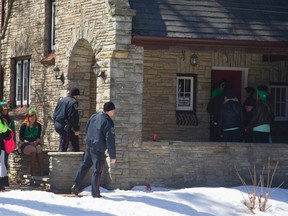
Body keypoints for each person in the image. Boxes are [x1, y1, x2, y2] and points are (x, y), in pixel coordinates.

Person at [71, 101, 117, 198]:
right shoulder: (108, 122)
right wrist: (113, 156)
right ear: (109, 110)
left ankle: (76, 185)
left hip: (89, 146)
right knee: (97, 171)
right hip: (98, 149)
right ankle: (95, 193)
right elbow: (110, 140)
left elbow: (87, 127)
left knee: (84, 166)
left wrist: (87, 139)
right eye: (113, 110)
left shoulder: (94, 116)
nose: (114, 112)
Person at [53, 87, 81, 152]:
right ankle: (62, 160)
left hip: (57, 124)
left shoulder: (62, 100)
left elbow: (55, 113)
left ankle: (76, 154)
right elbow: (73, 117)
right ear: (76, 96)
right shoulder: (73, 102)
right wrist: (76, 129)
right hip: (64, 125)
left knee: (73, 138)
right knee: (64, 143)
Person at [19, 109, 44, 176]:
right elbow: (21, 137)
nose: (32, 118)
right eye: (30, 117)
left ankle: (41, 170)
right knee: (33, 149)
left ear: (36, 117)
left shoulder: (38, 125)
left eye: (34, 116)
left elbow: (38, 136)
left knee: (38, 148)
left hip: (34, 142)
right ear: (28, 117)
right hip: (25, 143)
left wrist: (36, 142)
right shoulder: (24, 125)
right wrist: (26, 141)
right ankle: (32, 172)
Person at [0, 102, 15, 188]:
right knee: (2, 162)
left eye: (6, 110)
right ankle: (3, 182)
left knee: (4, 162)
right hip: (2, 143)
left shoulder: (9, 120)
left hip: (7, 144)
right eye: (3, 110)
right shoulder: (1, 119)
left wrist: (14, 142)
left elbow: (12, 132)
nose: (5, 111)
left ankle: (4, 182)